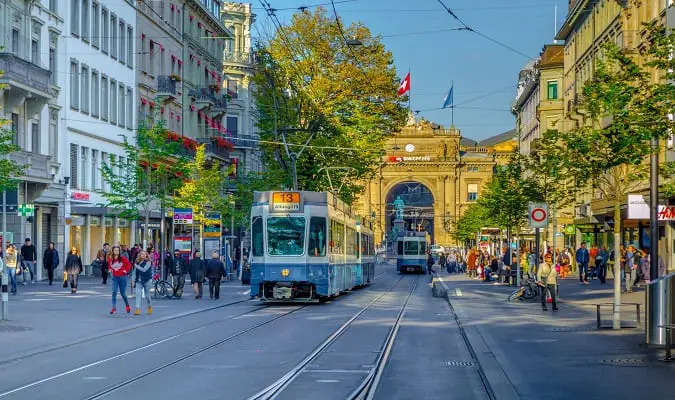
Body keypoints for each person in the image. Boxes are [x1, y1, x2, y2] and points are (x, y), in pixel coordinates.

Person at [108, 246, 132, 314]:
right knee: (114, 292)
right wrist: (110, 270)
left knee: (123, 293)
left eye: (118, 250)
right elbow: (109, 266)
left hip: (122, 278)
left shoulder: (122, 258)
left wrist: (125, 271)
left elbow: (129, 265)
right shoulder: (110, 259)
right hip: (114, 278)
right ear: (113, 251)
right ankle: (114, 308)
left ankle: (127, 305)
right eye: (115, 250)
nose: (116, 252)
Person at [131, 250, 153, 315]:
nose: (143, 255)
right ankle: (137, 309)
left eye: (144, 254)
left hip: (147, 280)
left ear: (146, 255)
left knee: (147, 295)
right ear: (139, 255)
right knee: (138, 294)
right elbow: (134, 272)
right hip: (139, 281)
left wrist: (136, 266)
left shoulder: (148, 262)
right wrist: (133, 281)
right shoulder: (137, 262)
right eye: (142, 254)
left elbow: (144, 270)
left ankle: (149, 306)